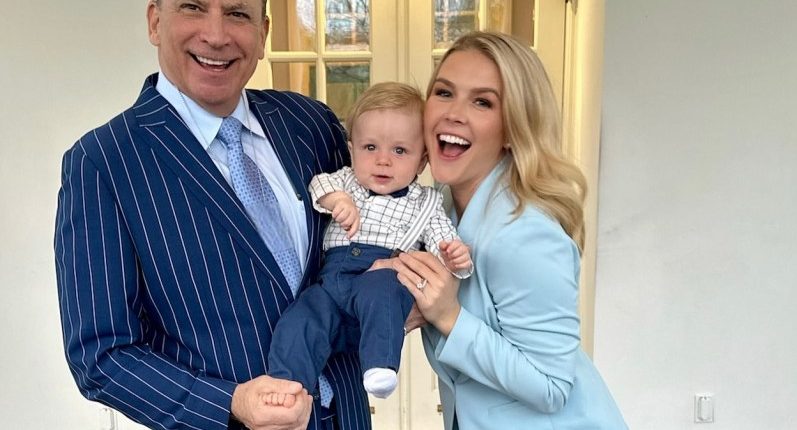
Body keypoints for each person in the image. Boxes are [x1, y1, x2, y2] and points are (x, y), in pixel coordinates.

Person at [53, 1, 371, 429]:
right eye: (193, 7)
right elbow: (102, 355)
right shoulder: (103, 163)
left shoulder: (311, 125)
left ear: (264, 33)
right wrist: (231, 402)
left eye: (238, 14)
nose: (216, 35)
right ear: (155, 21)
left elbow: (360, 246)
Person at [392, 31, 628, 429]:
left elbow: (552, 387)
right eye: (444, 92)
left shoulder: (525, 235)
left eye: (482, 101)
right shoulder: (441, 210)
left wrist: (449, 316)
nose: (454, 113)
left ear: (513, 128)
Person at [266, 82, 472, 405]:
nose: (383, 161)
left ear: (421, 162)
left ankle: (379, 365)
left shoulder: (425, 203)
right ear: (352, 150)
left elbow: (443, 239)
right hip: (332, 285)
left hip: (380, 276)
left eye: (400, 151)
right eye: (370, 148)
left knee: (384, 292)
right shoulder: (346, 181)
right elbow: (318, 185)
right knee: (303, 317)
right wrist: (337, 201)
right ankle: (288, 386)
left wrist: (455, 256)